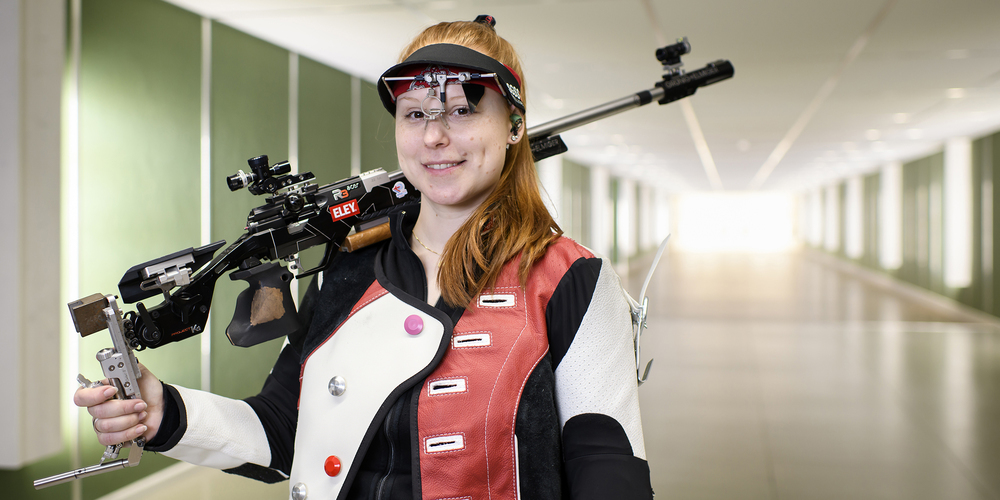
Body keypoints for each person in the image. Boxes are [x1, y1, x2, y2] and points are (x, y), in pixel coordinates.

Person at [75, 16, 653, 500]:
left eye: (462, 110)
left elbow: (608, 467)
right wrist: (164, 412)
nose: (434, 137)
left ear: (514, 127)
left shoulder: (569, 279)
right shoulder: (346, 272)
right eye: (416, 114)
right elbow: (283, 430)